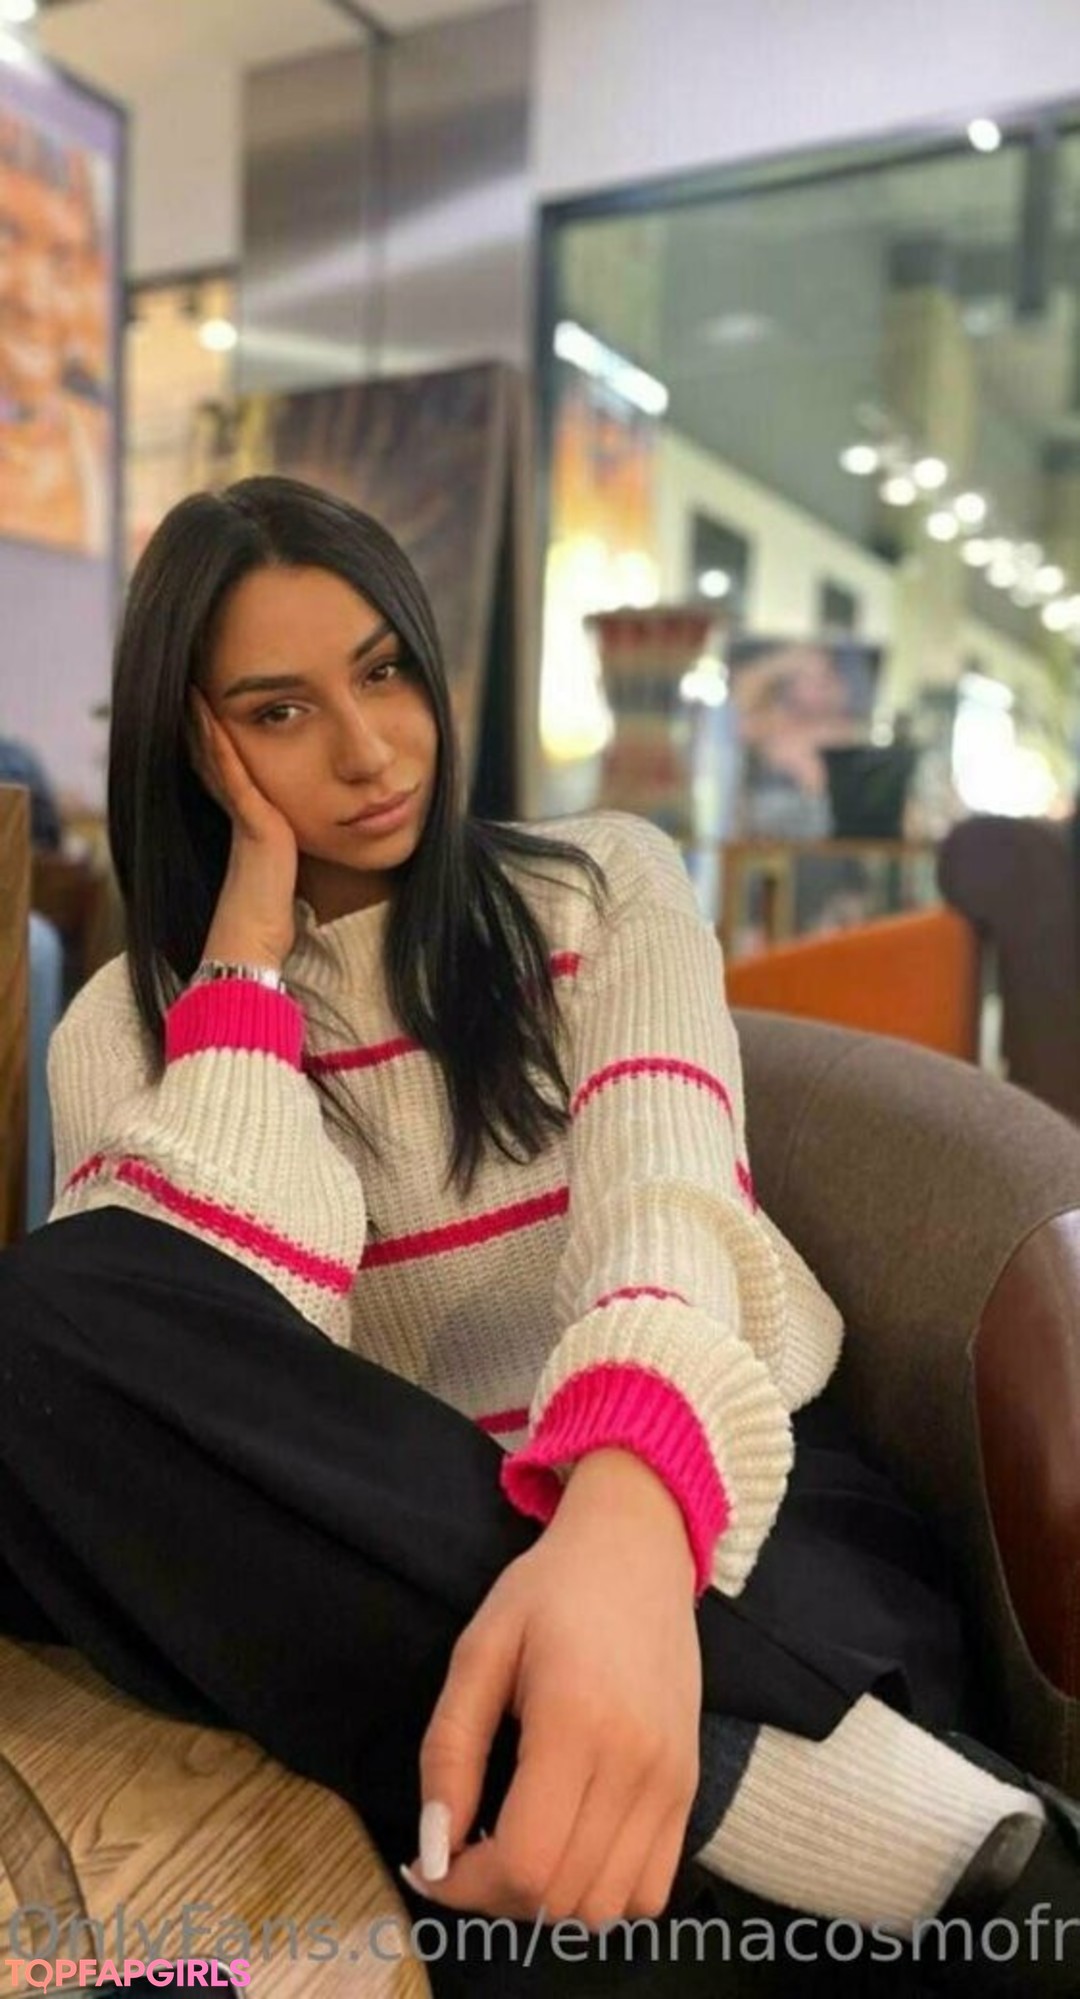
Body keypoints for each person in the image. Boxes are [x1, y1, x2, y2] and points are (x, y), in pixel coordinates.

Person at [1, 475, 1078, 1999]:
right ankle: (842, 1822)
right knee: (42, 1324)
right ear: (196, 743)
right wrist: (242, 973)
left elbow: (667, 1202)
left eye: (384, 671)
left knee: (523, 1876)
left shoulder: (598, 885)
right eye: (281, 710)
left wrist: (621, 1536)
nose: (371, 749)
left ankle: (769, 1807)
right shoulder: (132, 1027)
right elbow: (221, 1343)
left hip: (731, 1528)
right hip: (415, 1582)